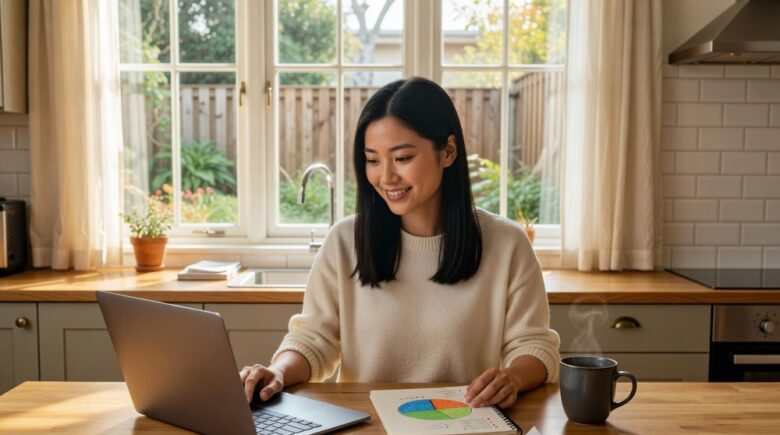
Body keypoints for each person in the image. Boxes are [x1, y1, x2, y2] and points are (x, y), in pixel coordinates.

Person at [240, 77, 560, 410]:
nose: (386, 177)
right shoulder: (344, 242)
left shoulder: (507, 245)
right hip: (365, 425)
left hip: (462, 425)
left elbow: (533, 346)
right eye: (373, 160)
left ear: (448, 152)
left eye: (402, 158)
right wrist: (276, 371)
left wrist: (513, 378)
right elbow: (313, 340)